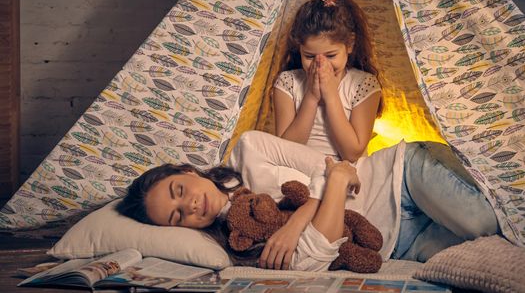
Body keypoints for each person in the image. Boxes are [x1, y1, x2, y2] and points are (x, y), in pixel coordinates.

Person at [117, 131, 500, 272]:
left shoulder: (250, 149)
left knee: (484, 223)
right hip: (397, 240)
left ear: (188, 172)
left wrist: (298, 222)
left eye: (179, 192)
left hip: (400, 176)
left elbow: (336, 169)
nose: (190, 207)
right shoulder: (240, 241)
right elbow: (319, 249)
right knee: (495, 252)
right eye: (177, 216)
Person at [273, 0, 383, 163]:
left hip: (344, 173)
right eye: (309, 56)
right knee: (250, 142)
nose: (320, 64)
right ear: (299, 49)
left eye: (331, 56)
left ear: (350, 45)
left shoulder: (364, 84)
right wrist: (311, 96)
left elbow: (352, 153)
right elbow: (284, 152)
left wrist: (331, 95)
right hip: (295, 169)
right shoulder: (288, 82)